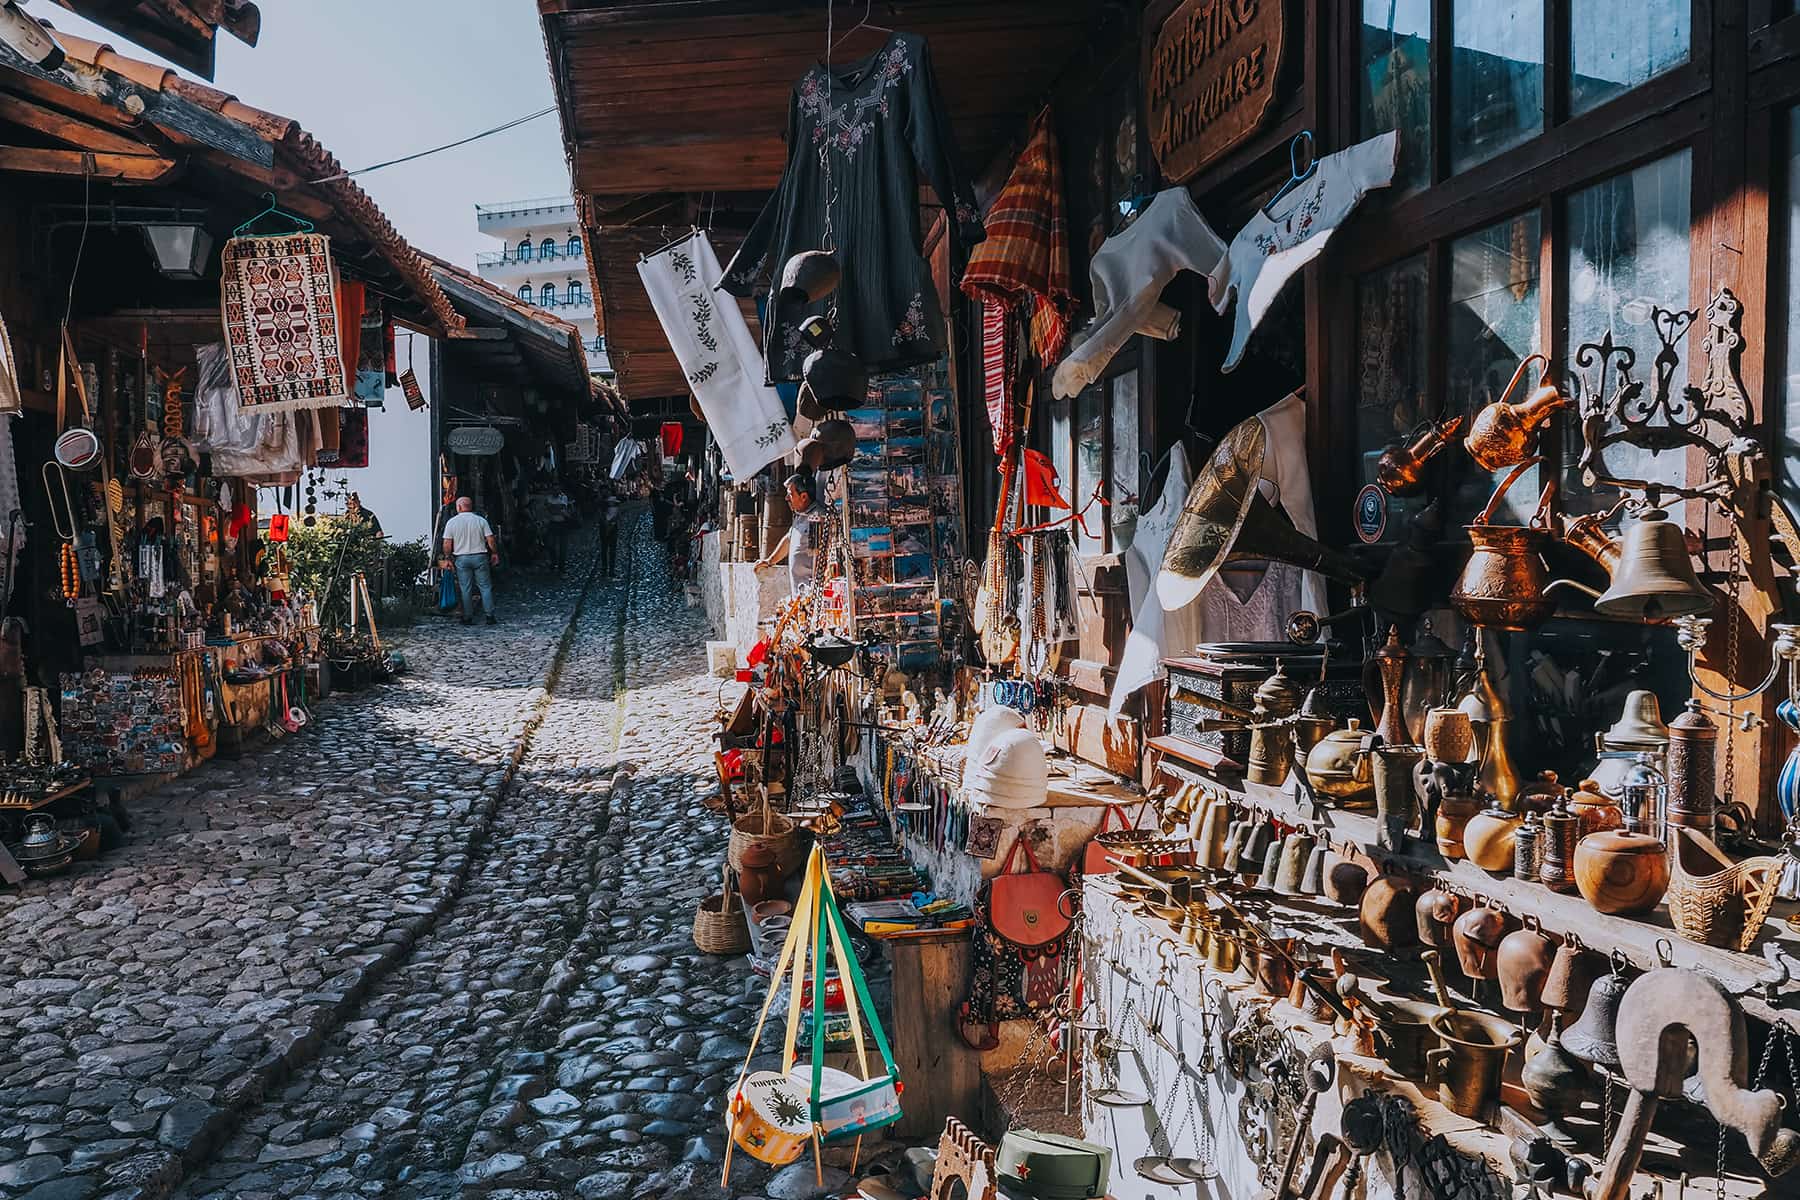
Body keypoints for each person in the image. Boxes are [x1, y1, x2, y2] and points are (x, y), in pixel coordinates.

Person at [753, 470, 818, 595]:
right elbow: (789, 540)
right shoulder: (799, 517)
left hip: (813, 592)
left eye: (791, 494)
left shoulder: (818, 517)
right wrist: (770, 561)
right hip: (800, 593)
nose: (786, 498)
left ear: (803, 496)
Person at [441, 497, 499, 625]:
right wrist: (494, 552)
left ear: (459, 507)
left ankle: (468, 616)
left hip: (461, 558)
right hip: (480, 556)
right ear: (470, 506)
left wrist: (447, 557)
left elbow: (447, 543)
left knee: (465, 588)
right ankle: (490, 616)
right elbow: (490, 539)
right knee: (485, 587)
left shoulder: (452, 522)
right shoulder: (481, 521)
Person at [546, 486, 576, 574]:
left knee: (563, 547)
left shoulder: (563, 497)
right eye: (554, 489)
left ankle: (561, 566)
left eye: (557, 489)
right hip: (553, 523)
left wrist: (553, 508)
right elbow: (551, 510)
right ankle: (553, 561)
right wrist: (556, 509)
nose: (555, 491)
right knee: (550, 544)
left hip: (563, 524)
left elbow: (560, 507)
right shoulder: (548, 498)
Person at [597, 484, 622, 578]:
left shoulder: (614, 500)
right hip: (604, 526)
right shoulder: (600, 502)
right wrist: (605, 523)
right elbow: (600, 514)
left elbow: (618, 513)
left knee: (612, 549)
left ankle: (611, 569)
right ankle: (604, 568)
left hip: (613, 526)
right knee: (604, 549)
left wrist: (611, 523)